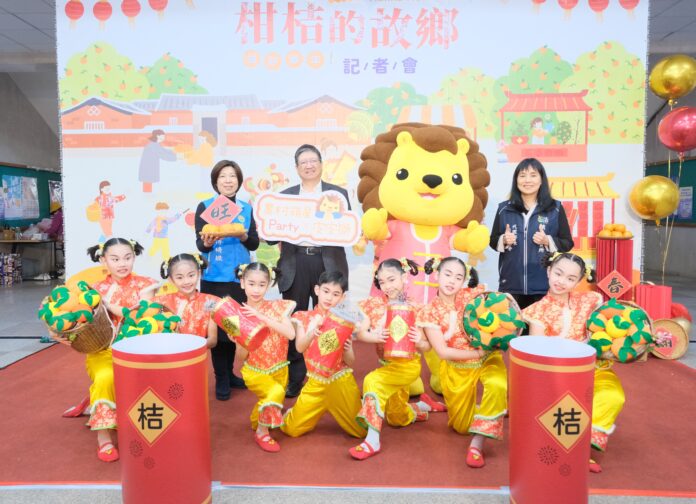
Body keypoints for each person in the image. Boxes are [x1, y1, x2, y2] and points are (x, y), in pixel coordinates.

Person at [56, 238, 156, 462]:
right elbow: (79, 320)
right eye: (115, 259)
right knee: (105, 377)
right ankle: (104, 438)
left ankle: (95, 400)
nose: (122, 264)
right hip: (103, 350)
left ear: (134, 257)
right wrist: (63, 332)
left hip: (139, 351)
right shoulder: (93, 291)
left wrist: (108, 305)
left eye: (127, 258)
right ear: (103, 260)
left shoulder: (147, 285)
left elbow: (140, 315)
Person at [522, 252, 622, 474]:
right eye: (558, 273)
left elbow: (610, 324)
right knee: (567, 409)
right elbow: (539, 352)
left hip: (594, 367)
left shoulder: (590, 300)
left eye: (570, 278)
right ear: (549, 271)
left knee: (613, 396)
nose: (561, 281)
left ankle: (584, 444)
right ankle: (574, 452)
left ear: (578, 282)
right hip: (558, 373)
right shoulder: (537, 311)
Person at [275, 144, 351, 398]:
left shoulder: (337, 194)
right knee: (296, 320)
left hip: (326, 262)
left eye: (313, 161)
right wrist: (268, 226)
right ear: (297, 168)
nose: (308, 165)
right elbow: (272, 236)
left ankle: (332, 372)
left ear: (320, 164)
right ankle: (296, 378)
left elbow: (346, 228)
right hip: (295, 262)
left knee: (331, 321)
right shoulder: (285, 197)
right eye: (303, 162)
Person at [349, 258, 443, 460]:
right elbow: (361, 334)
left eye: (391, 280)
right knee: (396, 418)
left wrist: (419, 341)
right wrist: (375, 336)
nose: (387, 286)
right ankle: (421, 407)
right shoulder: (374, 305)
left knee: (372, 381)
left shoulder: (417, 308)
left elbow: (427, 346)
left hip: (408, 366)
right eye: (382, 282)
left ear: (404, 277)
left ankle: (372, 440)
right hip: (387, 364)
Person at [417, 257, 506, 468]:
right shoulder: (429, 311)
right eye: (447, 274)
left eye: (458, 277)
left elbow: (500, 312)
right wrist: (477, 353)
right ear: (437, 275)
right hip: (457, 367)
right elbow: (443, 352)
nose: (452, 281)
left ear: (464, 281)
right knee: (462, 427)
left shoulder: (473, 297)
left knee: (497, 385)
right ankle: (492, 407)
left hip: (488, 358)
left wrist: (499, 333)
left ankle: (477, 444)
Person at [195, 160, 259, 400]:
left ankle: (230, 373)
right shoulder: (206, 206)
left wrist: (242, 236)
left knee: (234, 328)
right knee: (217, 330)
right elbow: (200, 244)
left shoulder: (246, 209)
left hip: (238, 278)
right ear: (215, 181)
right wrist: (207, 242)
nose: (228, 180)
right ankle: (221, 377)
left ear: (239, 181)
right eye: (223, 176)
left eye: (233, 176)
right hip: (213, 277)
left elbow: (254, 243)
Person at [280, 271, 366, 439]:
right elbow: (299, 348)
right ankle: (294, 412)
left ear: (343, 297)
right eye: (326, 291)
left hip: (340, 381)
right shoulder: (303, 317)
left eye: (335, 294)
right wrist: (312, 331)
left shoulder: (345, 322)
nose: (329, 298)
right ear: (317, 290)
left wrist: (347, 348)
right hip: (316, 382)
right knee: (290, 429)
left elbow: (350, 362)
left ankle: (358, 403)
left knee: (361, 431)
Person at [489, 158, 574, 310]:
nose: (527, 180)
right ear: (516, 180)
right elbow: (493, 241)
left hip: (544, 285)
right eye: (522, 175)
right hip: (511, 284)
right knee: (512, 324)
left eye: (533, 175)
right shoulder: (504, 209)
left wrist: (547, 241)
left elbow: (567, 243)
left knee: (540, 324)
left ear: (541, 180)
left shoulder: (555, 208)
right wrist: (504, 240)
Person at [235, 262, 295, 453]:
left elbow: (290, 334)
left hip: (280, 369)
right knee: (275, 393)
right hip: (255, 371)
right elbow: (241, 357)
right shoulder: (236, 316)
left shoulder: (278, 307)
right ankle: (262, 433)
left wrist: (262, 317)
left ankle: (259, 421)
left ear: (268, 285)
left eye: (261, 284)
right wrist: (241, 339)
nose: (256, 289)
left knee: (272, 401)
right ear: (242, 283)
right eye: (251, 283)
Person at [153, 253, 218, 348]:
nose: (186, 281)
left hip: (199, 353)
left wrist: (189, 349)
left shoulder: (210, 301)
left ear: (199, 273)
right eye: (179, 277)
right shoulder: (160, 301)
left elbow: (212, 340)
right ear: (171, 279)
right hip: (170, 354)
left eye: (191, 275)